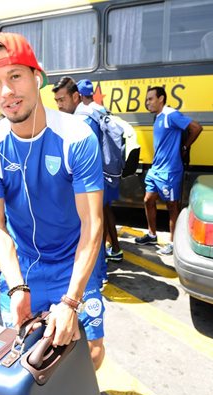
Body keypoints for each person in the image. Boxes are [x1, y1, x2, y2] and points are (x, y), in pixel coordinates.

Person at [0, 33, 106, 370]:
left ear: (37, 76)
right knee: (25, 355)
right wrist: (17, 285)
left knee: (90, 352)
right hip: (23, 267)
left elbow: (93, 223)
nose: (6, 92)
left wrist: (71, 301)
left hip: (73, 263)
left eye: (15, 76)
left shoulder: (77, 137)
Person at [51, 77, 110, 288]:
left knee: (90, 226)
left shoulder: (82, 122)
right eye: (56, 101)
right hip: (90, 182)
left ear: (76, 96)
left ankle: (96, 276)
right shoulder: (83, 116)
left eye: (62, 99)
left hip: (87, 185)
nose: (59, 105)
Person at [135, 86, 203, 255]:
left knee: (172, 207)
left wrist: (185, 147)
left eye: (150, 99)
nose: (147, 102)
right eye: (147, 99)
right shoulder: (157, 117)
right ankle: (152, 235)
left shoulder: (171, 115)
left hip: (170, 172)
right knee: (148, 200)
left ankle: (173, 243)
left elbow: (196, 128)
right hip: (156, 170)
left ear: (161, 99)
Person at [77, 79, 123, 263]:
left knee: (97, 214)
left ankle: (103, 253)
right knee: (105, 209)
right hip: (110, 168)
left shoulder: (84, 114)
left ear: (79, 95)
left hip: (98, 171)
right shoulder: (101, 109)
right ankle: (115, 249)